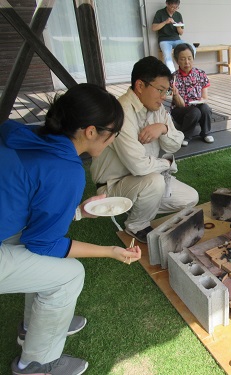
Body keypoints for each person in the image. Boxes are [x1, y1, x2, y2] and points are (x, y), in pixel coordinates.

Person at [0, 83, 141, 375]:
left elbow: (30, 206)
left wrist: (76, 211)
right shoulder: (65, 169)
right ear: (91, 131)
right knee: (69, 275)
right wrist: (110, 251)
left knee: (41, 259)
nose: (112, 140)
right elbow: (44, 244)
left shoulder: (20, 133)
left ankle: (34, 327)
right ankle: (35, 364)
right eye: (112, 134)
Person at [90, 56, 199, 243]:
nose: (163, 97)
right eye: (160, 90)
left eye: (166, 91)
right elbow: (139, 166)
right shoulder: (120, 112)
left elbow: (173, 144)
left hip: (145, 178)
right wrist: (166, 163)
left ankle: (141, 203)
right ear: (140, 86)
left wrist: (163, 129)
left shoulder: (157, 108)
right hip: (113, 185)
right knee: (154, 182)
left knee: (190, 198)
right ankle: (136, 224)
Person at [171, 43, 213, 146]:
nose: (187, 62)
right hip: (180, 111)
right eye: (183, 59)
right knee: (195, 112)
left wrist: (201, 100)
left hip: (196, 108)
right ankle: (186, 136)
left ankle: (206, 133)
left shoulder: (200, 74)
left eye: (189, 58)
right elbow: (180, 105)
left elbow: (205, 97)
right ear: (177, 61)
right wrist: (176, 95)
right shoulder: (173, 78)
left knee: (205, 108)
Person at [152, 0, 195, 73]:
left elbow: (181, 33)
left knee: (192, 48)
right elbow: (154, 28)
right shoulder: (160, 13)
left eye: (176, 7)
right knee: (167, 55)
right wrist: (165, 22)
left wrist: (178, 27)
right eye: (172, 7)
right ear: (167, 4)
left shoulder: (178, 15)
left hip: (177, 39)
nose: (173, 9)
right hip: (164, 40)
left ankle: (186, 69)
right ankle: (172, 74)